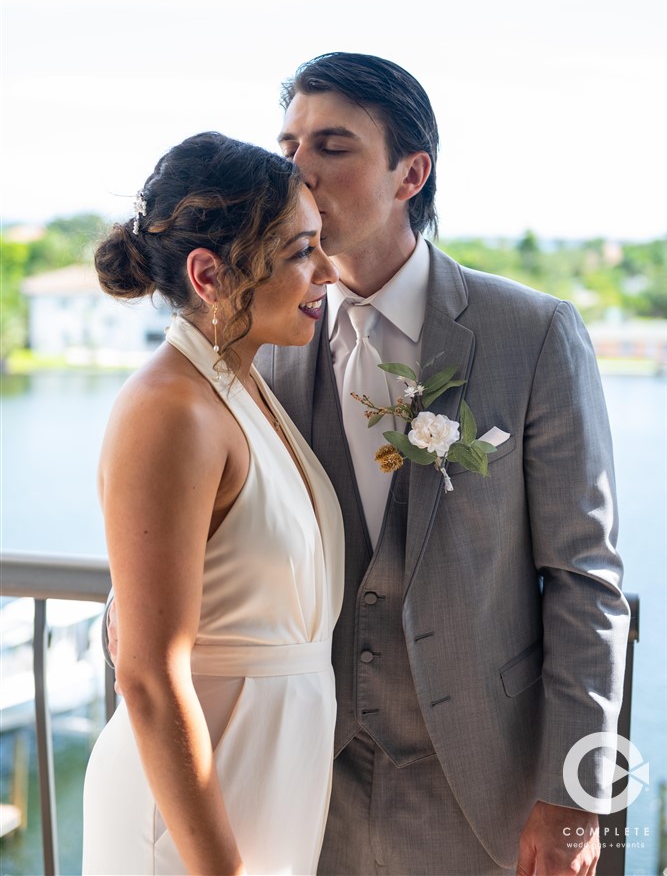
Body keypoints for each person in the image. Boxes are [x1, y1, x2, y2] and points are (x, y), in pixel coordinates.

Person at [253, 53, 630, 875]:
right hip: (303, 780)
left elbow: (584, 580)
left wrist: (575, 794)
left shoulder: (530, 334)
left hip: (479, 783)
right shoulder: (262, 342)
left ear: (410, 172)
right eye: (286, 146)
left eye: (332, 146)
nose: (296, 172)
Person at [83, 131, 343, 875]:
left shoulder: (241, 387)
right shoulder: (169, 413)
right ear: (209, 274)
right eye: (300, 252)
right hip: (193, 822)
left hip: (264, 786)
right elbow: (148, 674)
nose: (326, 270)